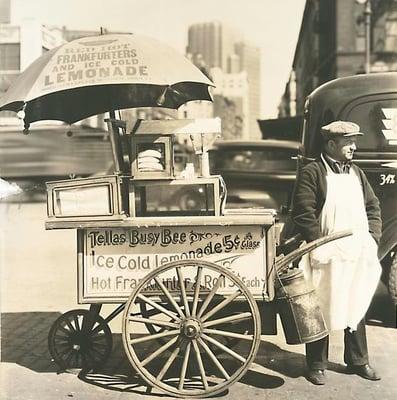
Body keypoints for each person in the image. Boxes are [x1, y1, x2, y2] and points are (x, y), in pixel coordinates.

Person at [291, 120, 382, 385]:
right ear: (332, 144)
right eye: (348, 142)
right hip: (325, 253)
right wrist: (319, 243)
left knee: (357, 302)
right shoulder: (313, 172)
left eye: (354, 141)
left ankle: (358, 361)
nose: (354, 147)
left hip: (355, 251)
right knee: (320, 305)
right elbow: (303, 212)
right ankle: (316, 364)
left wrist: (372, 238)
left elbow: (372, 207)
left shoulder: (357, 174)